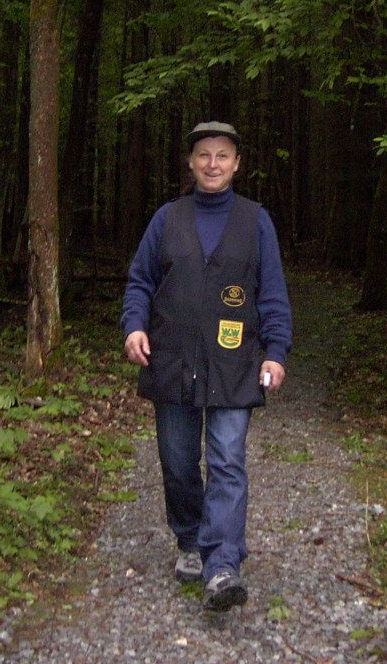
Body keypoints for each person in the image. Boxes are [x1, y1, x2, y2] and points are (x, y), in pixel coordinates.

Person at [121, 120, 292, 612]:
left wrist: (276, 351)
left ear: (237, 164)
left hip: (234, 363)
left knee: (227, 461)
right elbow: (140, 282)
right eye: (204, 155)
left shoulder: (256, 221)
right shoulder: (167, 219)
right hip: (172, 360)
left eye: (222, 155)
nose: (212, 164)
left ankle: (222, 563)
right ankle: (190, 539)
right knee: (177, 463)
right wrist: (134, 326)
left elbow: (272, 292)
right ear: (191, 163)